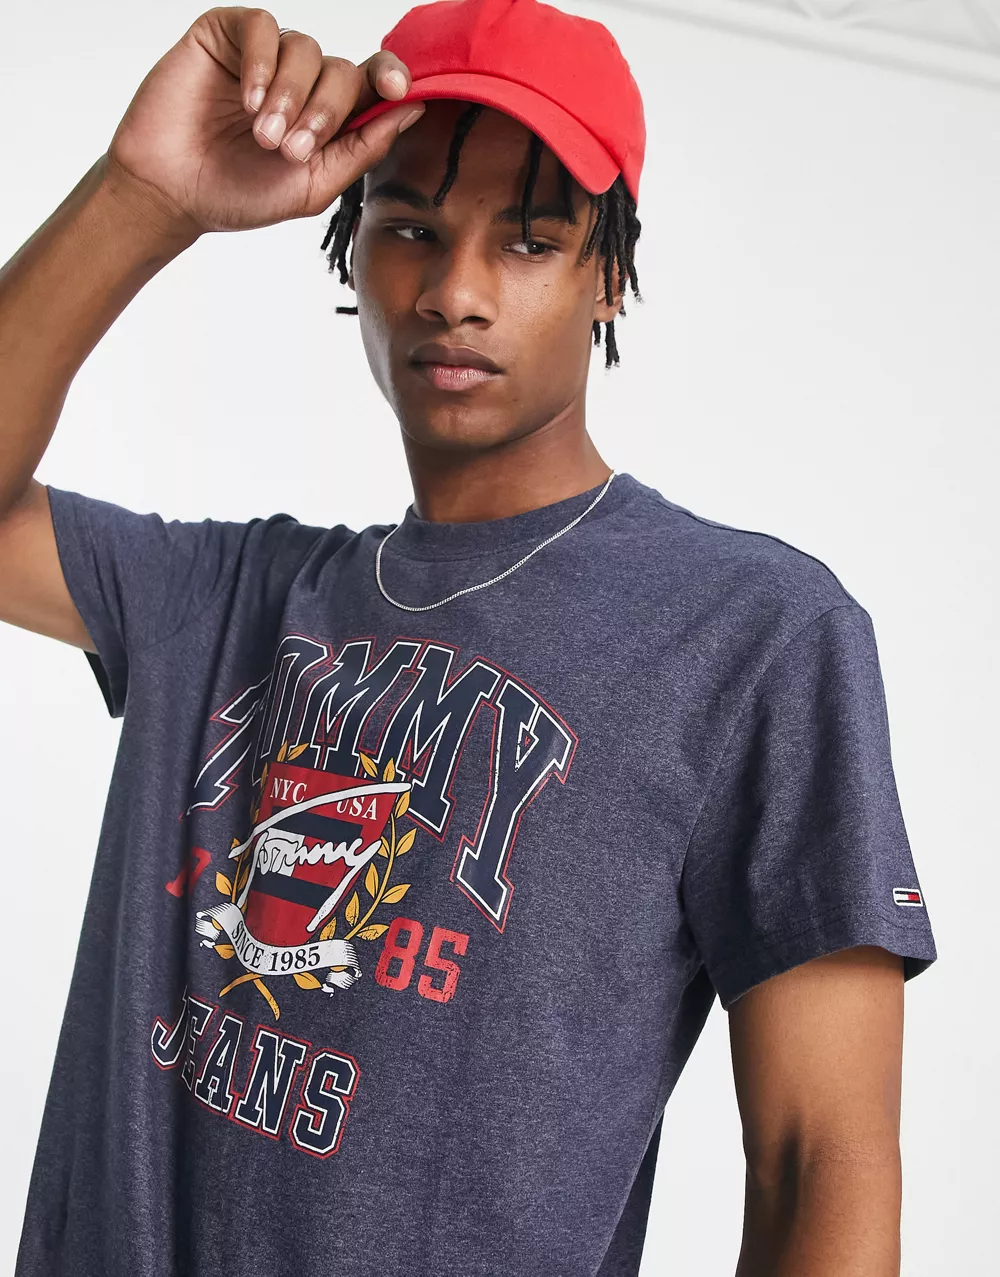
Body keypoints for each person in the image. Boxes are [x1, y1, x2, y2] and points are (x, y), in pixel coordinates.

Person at [2, 1, 937, 1273]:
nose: (453, 294)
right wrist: (143, 196)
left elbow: (820, 1155)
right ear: (349, 252)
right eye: (410, 230)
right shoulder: (220, 595)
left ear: (607, 274)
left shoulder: (751, 632)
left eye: (530, 240)